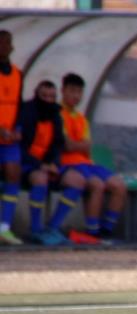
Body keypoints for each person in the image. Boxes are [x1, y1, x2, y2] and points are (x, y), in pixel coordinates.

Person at [59, 72, 128, 245]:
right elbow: (66, 146)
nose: (76, 96)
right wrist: (78, 144)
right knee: (97, 185)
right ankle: (93, 232)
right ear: (63, 91)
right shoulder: (57, 114)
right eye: (72, 91)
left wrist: (78, 144)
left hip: (86, 163)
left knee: (119, 185)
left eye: (79, 92)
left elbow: (87, 145)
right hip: (68, 164)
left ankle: (107, 231)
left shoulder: (81, 118)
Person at [18, 79, 86, 246]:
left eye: (52, 97)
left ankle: (53, 227)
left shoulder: (56, 115)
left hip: (47, 164)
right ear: (36, 95)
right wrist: (39, 164)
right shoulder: (26, 112)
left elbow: (57, 144)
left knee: (77, 180)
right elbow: (18, 148)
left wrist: (54, 163)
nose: (48, 100)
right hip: (25, 164)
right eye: (44, 96)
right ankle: (35, 229)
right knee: (40, 178)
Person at [0, 30, 23, 246]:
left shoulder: (18, 74)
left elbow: (19, 107)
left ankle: (4, 227)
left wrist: (18, 129)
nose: (5, 46)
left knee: (13, 172)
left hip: (9, 139)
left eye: (7, 42)